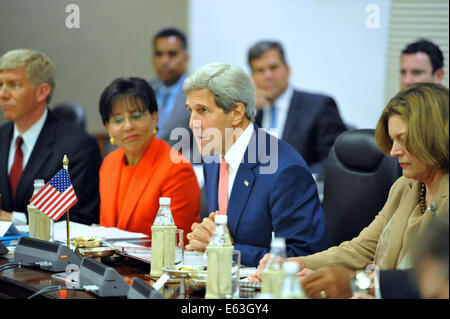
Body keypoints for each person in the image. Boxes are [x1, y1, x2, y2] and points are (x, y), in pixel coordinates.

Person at [249, 82, 449, 298]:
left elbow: (440, 277)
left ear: (433, 135)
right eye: (392, 140)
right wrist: (296, 264)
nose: (393, 151)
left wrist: (359, 284)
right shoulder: (405, 186)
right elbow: (362, 249)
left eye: (403, 139)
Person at [183, 62, 328, 267]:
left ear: (236, 113)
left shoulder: (285, 171)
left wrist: (227, 250)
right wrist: (206, 235)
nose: (192, 123)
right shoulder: (213, 160)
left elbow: (305, 256)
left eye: (203, 110)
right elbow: (222, 235)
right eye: (190, 110)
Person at [0, 49, 101, 225]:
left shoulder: (77, 146)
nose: (3, 94)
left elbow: (78, 218)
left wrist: (14, 220)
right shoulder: (2, 136)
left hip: (48, 251)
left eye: (14, 85)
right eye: (0, 85)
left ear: (42, 92)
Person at [98, 77, 200, 238]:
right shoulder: (109, 163)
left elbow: (174, 242)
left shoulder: (177, 169)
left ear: (154, 118)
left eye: (136, 116)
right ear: (108, 128)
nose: (128, 126)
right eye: (118, 120)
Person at [248, 40, 347, 175]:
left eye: (273, 68)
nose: (268, 76)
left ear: (287, 70)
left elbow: (336, 160)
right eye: (260, 70)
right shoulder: (251, 114)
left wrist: (295, 181)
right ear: (252, 77)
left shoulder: (319, 106)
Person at [148, 27, 199, 162]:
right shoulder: (143, 91)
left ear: (186, 58)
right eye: (159, 54)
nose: (164, 61)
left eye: (172, 54)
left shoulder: (199, 93)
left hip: (181, 169)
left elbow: (205, 146)